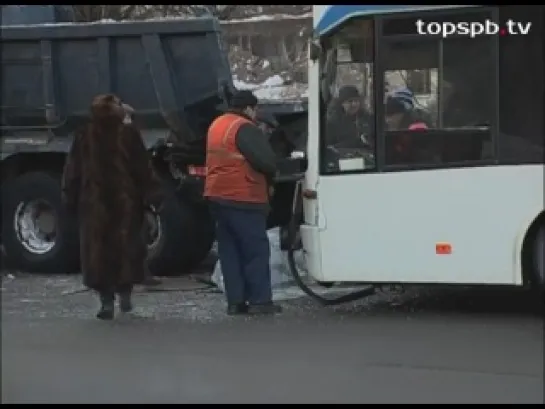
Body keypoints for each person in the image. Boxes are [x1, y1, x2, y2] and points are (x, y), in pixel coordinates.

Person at [61, 94, 163, 320]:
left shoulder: (83, 135)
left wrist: (69, 198)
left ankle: (106, 301)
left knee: (97, 250)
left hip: (93, 203)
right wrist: (154, 195)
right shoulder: (128, 135)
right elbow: (142, 169)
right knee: (126, 248)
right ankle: (125, 297)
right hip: (125, 202)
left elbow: (73, 172)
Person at [204, 90, 281, 316]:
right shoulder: (244, 127)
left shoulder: (218, 125)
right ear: (248, 108)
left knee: (230, 252)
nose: (256, 114)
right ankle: (260, 301)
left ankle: (235, 302)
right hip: (243, 196)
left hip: (218, 196)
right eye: (254, 109)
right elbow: (266, 161)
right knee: (254, 250)